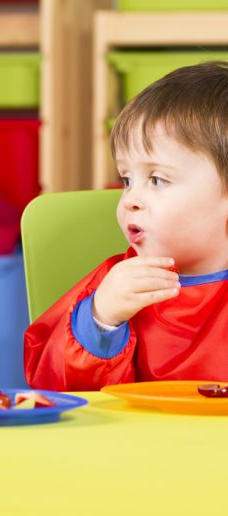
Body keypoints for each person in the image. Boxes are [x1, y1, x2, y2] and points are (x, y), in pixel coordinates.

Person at [25, 60, 228, 391]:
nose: (131, 199)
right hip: (135, 441)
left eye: (157, 179)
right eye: (127, 179)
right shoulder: (112, 284)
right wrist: (101, 321)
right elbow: (52, 385)